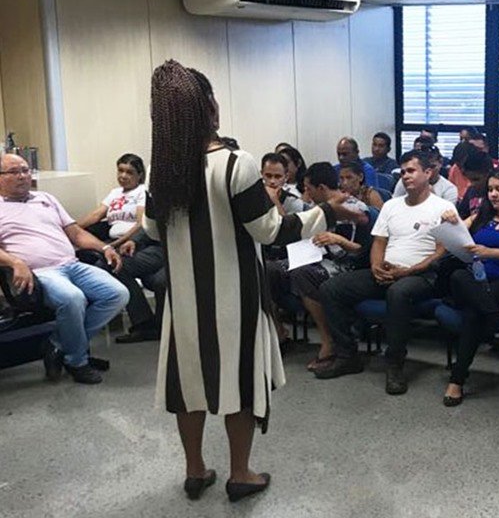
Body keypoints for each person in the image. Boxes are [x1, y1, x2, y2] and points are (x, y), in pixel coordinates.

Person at [144, 61, 352, 502]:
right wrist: (327, 211)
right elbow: (271, 230)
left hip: (182, 300)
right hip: (234, 299)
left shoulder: (160, 170)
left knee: (190, 383)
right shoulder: (236, 163)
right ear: (209, 108)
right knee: (238, 381)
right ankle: (241, 473)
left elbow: (150, 228)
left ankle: (195, 470)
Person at [316, 150, 451, 395]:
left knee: (398, 294)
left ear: (428, 173)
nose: (406, 176)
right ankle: (347, 355)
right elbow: (378, 242)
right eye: (403, 172)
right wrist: (376, 266)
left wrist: (408, 271)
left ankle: (395, 364)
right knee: (331, 288)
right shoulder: (391, 206)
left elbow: (441, 252)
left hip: (421, 275)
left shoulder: (442, 207)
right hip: (387, 270)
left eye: (412, 171)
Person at [0, 153, 129, 384]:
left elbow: (76, 234)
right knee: (73, 299)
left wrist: (105, 247)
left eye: (25, 170)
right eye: (14, 172)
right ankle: (76, 361)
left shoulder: (46, 198)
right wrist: (15, 262)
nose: (22, 176)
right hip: (39, 273)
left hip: (72, 264)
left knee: (117, 294)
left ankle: (57, 343)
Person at [439, 165, 499, 406]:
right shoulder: (481, 217)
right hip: (474, 281)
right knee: (458, 277)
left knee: (473, 315)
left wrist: (491, 252)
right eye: (491, 189)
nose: (493, 194)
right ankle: (495, 320)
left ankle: (457, 380)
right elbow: (454, 234)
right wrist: (449, 220)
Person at [267, 162, 372, 371]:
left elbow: (360, 250)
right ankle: (279, 331)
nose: (306, 193)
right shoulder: (316, 210)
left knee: (301, 273)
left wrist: (337, 239)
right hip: (315, 258)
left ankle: (328, 341)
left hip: (343, 265)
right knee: (268, 269)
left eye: (309, 188)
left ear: (322, 188)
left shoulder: (354, 206)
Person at [76, 153, 166, 343]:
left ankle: (143, 323)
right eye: (120, 170)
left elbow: (142, 224)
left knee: (113, 265)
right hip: (120, 245)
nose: (123, 176)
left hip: (144, 244)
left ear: (140, 175)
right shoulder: (115, 193)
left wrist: (114, 245)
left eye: (129, 172)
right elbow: (95, 215)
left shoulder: (142, 192)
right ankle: (143, 322)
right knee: (105, 263)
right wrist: (70, 228)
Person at [393, 142, 458, 203]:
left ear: (440, 163)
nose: (429, 171)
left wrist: (431, 195)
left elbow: (447, 212)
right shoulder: (407, 181)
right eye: (424, 167)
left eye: (432, 167)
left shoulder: (449, 189)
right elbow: (394, 204)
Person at [456, 148, 494, 219]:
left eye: (476, 179)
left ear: (489, 174)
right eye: (468, 179)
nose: (470, 184)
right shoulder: (471, 191)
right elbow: (461, 217)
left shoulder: (496, 195)